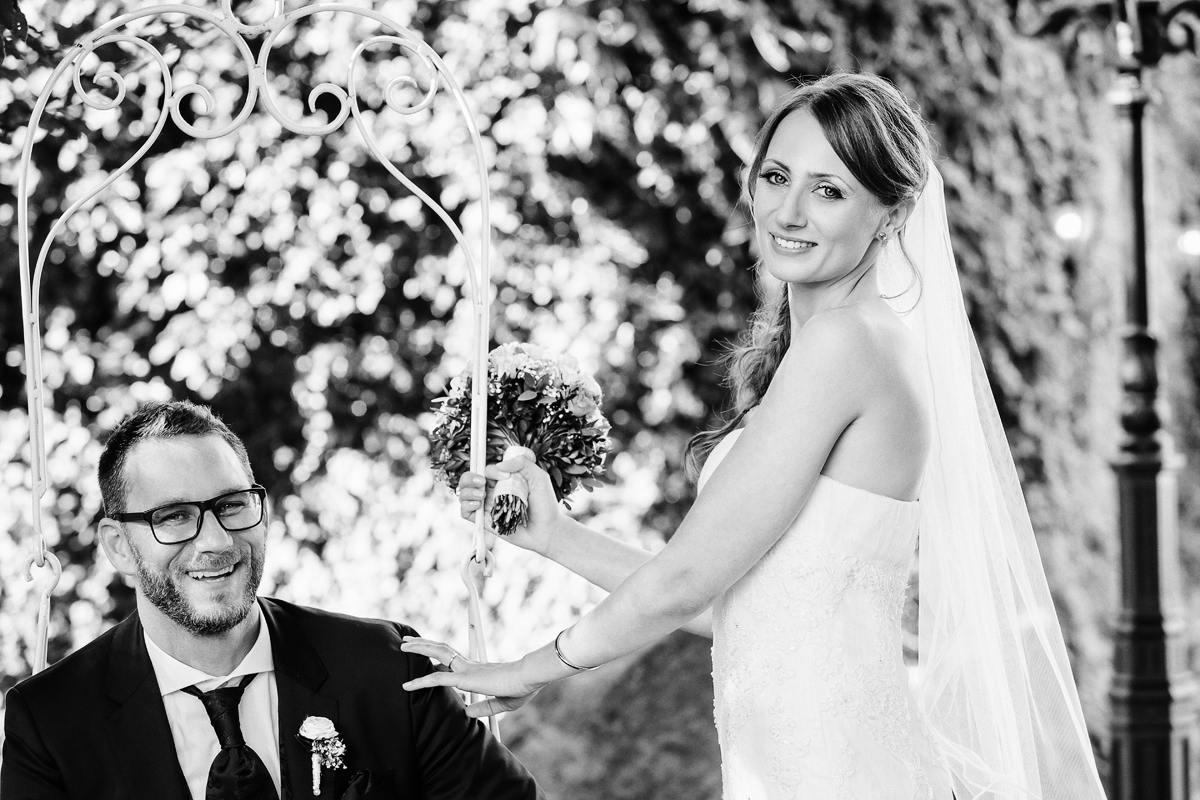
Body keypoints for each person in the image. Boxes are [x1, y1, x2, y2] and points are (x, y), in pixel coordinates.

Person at [401, 73, 1109, 800]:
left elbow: (683, 584)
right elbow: (748, 607)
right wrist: (557, 537)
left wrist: (527, 670)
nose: (788, 211)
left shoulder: (846, 344)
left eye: (829, 190)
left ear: (891, 214)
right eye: (776, 177)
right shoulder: (849, 344)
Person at [1, 400, 543, 800]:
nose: (215, 541)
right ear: (119, 546)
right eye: (174, 517)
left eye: (232, 505)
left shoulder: (387, 668)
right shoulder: (51, 722)